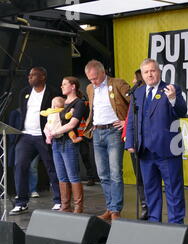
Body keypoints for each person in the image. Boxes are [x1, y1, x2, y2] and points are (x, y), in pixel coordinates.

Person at [125, 58, 187, 224]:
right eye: (146, 72)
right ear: (142, 75)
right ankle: (154, 222)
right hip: (144, 150)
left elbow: (182, 111)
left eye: (153, 70)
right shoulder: (137, 92)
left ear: (159, 72)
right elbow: (131, 119)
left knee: (173, 189)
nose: (150, 74)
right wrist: (130, 142)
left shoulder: (171, 89)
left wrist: (173, 98)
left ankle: (176, 224)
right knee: (150, 189)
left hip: (167, 148)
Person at [9, 67, 61, 215]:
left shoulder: (52, 92)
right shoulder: (25, 92)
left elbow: (57, 113)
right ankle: (21, 202)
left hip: (43, 136)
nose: (29, 77)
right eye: (29, 75)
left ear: (43, 76)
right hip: (25, 136)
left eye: (33, 75)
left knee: (51, 166)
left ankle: (58, 200)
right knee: (20, 166)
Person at [83, 60, 130, 221]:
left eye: (95, 78)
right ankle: (110, 208)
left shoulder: (118, 83)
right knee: (102, 174)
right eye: (90, 79)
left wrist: (126, 122)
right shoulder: (90, 88)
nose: (93, 82)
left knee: (115, 172)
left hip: (114, 132)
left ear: (103, 72)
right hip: (97, 132)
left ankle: (116, 209)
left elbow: (135, 104)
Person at [47, 77, 87, 213]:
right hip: (57, 142)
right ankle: (65, 205)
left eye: (64, 84)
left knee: (73, 175)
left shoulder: (79, 103)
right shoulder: (61, 103)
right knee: (61, 176)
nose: (62, 86)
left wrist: (54, 132)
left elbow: (72, 124)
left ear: (73, 86)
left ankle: (78, 206)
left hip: (69, 142)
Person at [122, 69, 147, 220]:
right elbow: (130, 118)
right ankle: (144, 205)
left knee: (147, 176)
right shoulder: (135, 95)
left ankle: (150, 206)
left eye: (134, 78)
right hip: (134, 140)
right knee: (139, 176)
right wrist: (127, 137)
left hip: (147, 141)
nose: (132, 81)